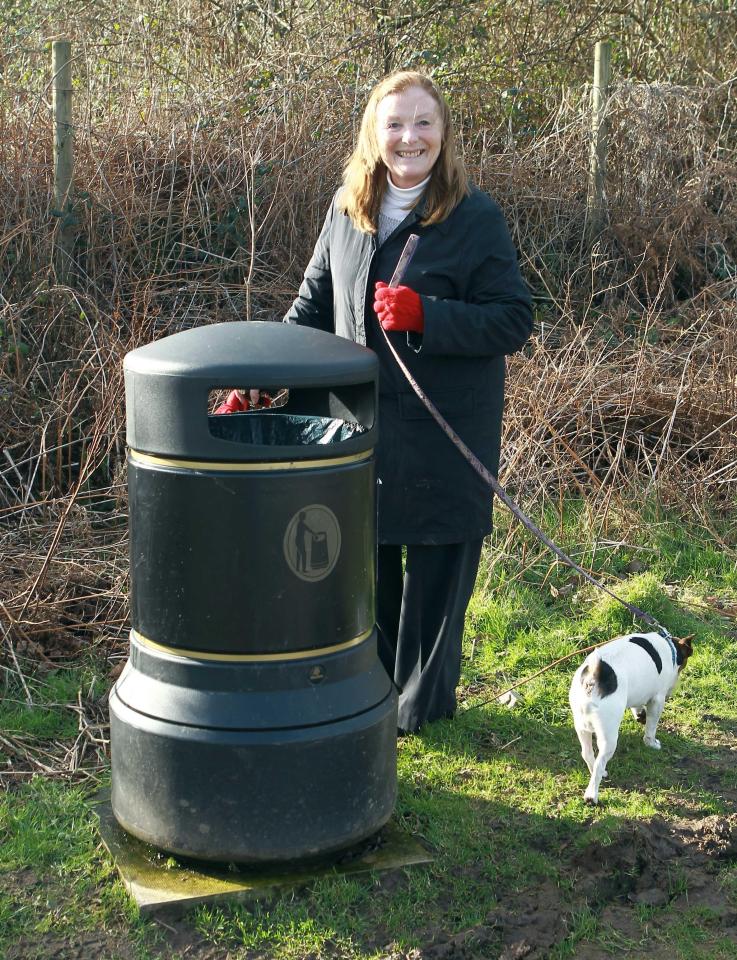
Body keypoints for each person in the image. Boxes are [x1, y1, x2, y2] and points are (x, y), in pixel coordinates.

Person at [284, 71, 532, 733]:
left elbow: (512, 319)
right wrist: (259, 378)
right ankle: (373, 698)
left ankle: (422, 711)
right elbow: (311, 309)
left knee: (433, 570)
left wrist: (427, 314)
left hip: (442, 428)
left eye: (423, 122)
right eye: (394, 123)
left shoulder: (472, 217)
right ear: (372, 132)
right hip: (358, 425)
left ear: (443, 133)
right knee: (369, 566)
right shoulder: (346, 208)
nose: (408, 137)